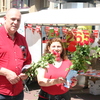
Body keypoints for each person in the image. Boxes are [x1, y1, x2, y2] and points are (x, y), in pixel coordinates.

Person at [0, 8, 32, 100]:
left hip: (18, 92)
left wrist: (26, 72)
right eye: (13, 19)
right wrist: (5, 72)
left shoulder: (22, 39)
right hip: (1, 92)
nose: (15, 22)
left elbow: (27, 61)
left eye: (18, 20)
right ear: (5, 18)